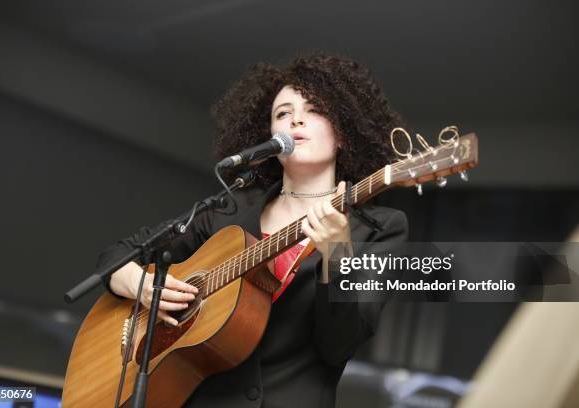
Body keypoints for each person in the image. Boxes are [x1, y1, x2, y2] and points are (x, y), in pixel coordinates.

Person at [98, 52, 409, 407]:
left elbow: (339, 345)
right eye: (283, 114)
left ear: (343, 134)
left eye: (314, 110)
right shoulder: (228, 209)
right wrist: (138, 285)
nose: (296, 121)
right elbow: (118, 255)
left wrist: (336, 253)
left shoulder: (377, 228)